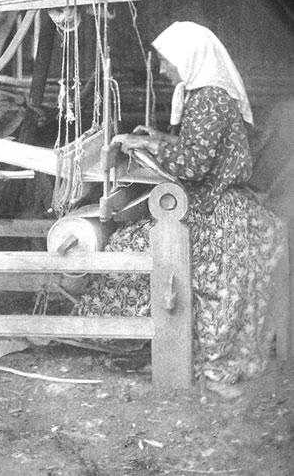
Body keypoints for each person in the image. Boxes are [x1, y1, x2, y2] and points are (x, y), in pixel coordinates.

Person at [76, 21, 286, 389]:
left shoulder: (209, 100)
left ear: (190, 58)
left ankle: (115, 333)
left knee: (129, 245)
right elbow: (198, 147)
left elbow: (194, 165)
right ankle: (136, 335)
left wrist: (149, 146)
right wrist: (157, 137)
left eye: (166, 61)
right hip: (216, 201)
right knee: (134, 241)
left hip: (216, 208)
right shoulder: (207, 95)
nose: (161, 69)